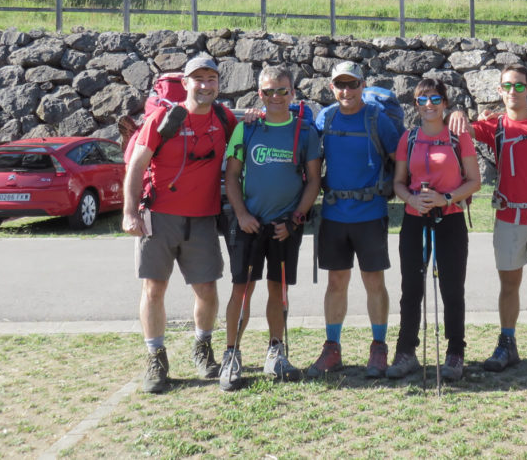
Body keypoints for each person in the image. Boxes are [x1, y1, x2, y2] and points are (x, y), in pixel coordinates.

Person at [122, 56, 238, 394]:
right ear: (185, 83)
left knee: (207, 289)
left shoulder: (223, 117)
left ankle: (203, 348)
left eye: (211, 79)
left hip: (202, 218)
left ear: (219, 83)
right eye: (198, 79)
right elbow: (137, 166)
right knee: (154, 290)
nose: (205, 85)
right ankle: (156, 357)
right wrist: (130, 212)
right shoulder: (162, 117)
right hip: (158, 216)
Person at [449, 63, 527, 375]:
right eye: (506, 86)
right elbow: (461, 128)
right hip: (508, 218)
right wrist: (460, 111)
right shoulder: (496, 127)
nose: (512, 91)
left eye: (518, 85)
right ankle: (507, 343)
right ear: (499, 91)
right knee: (509, 285)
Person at [218, 65, 322, 391]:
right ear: (258, 94)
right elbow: (231, 177)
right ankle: (231, 354)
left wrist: (294, 220)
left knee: (278, 290)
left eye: (281, 90)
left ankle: (276, 352)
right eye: (267, 91)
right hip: (248, 225)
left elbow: (314, 181)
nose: (275, 97)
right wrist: (242, 214)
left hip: (284, 227)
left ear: (292, 93)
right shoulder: (246, 128)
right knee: (241, 290)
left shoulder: (305, 131)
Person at [307, 61, 401, 378]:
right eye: (340, 85)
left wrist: (395, 189)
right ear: (332, 87)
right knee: (336, 282)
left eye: (352, 84)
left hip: (370, 213)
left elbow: (398, 159)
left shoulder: (377, 120)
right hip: (334, 214)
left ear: (363, 85)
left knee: (374, 282)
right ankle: (332, 348)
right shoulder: (326, 117)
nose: (346, 91)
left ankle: (378, 347)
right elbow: (310, 157)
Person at [386, 79, 480, 382]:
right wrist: (412, 198)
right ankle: (406, 352)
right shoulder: (409, 138)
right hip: (414, 219)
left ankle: (455, 353)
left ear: (445, 103)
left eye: (435, 99)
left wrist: (446, 198)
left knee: (452, 289)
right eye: (422, 100)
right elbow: (398, 182)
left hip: (449, 218)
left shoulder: (457, 136)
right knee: (411, 289)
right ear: (415, 105)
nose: (429, 105)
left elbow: (474, 181)